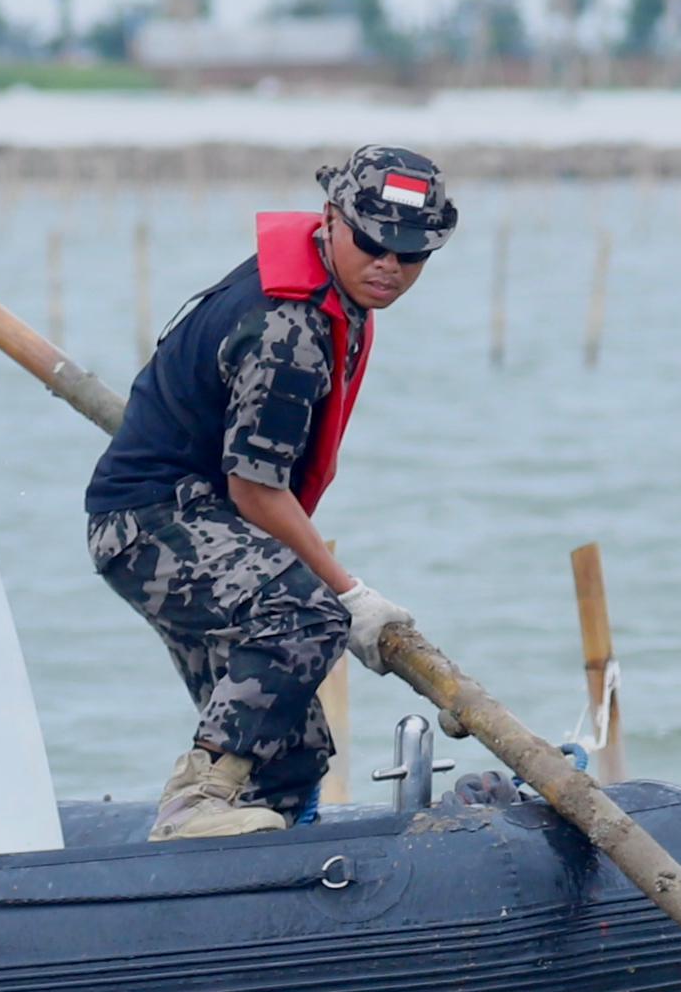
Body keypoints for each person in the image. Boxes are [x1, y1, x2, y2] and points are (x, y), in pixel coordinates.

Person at [83, 145, 454, 838]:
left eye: (412, 254)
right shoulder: (290, 327)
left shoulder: (334, 291)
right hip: (151, 526)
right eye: (373, 242)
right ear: (331, 220)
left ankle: (256, 873)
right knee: (307, 616)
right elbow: (255, 491)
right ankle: (196, 799)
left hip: (200, 517)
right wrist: (353, 595)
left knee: (291, 752)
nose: (390, 266)